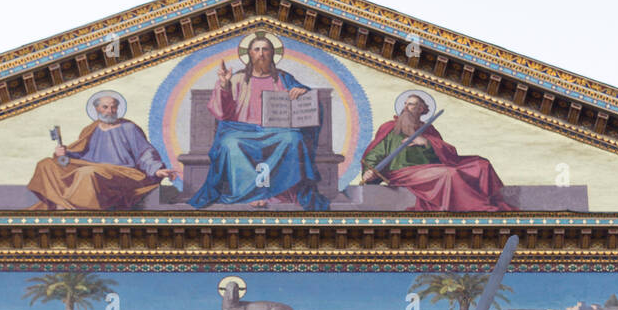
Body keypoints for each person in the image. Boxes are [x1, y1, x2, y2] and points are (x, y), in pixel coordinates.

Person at [191, 33, 329, 210]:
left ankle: (279, 194)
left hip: (276, 131)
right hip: (242, 130)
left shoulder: (283, 78)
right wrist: (224, 86)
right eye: (257, 49)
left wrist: (300, 90)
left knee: (293, 139)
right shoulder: (237, 79)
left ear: (272, 53)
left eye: (265, 49)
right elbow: (223, 113)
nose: (261, 54)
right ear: (250, 53)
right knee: (229, 143)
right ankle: (247, 195)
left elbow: (306, 95)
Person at [361, 91, 513, 212]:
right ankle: (477, 208)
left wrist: (427, 143)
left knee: (481, 164)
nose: (406, 108)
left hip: (432, 168)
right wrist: (369, 171)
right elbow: (374, 154)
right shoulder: (391, 128)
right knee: (449, 174)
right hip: (404, 172)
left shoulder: (429, 129)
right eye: (405, 104)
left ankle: (490, 201)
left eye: (412, 105)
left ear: (421, 109)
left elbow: (448, 154)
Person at [28, 92, 176, 210]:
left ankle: (73, 210)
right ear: (97, 109)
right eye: (105, 107)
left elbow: (145, 153)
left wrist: (156, 170)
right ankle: (61, 204)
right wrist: (64, 153)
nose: (110, 111)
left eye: (113, 108)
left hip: (123, 172)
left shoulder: (129, 128)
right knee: (46, 164)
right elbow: (80, 153)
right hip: (92, 167)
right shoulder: (91, 129)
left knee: (87, 173)